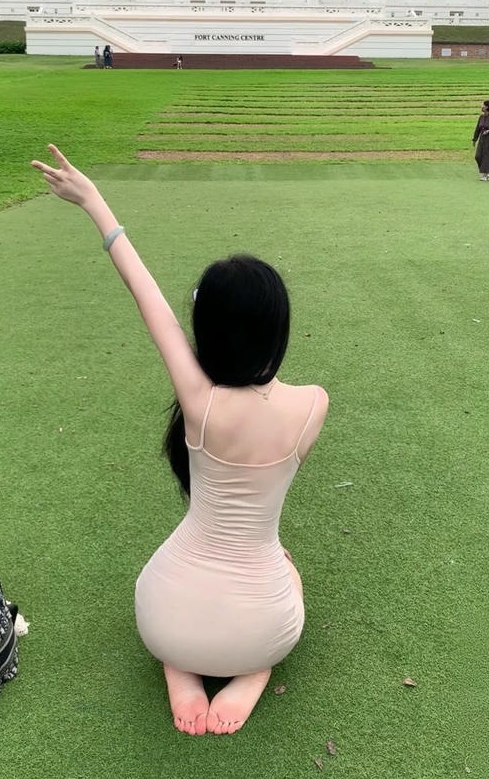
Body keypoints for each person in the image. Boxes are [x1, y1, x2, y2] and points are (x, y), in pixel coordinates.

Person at [30, 144, 329, 736]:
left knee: (193, 595)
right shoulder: (313, 404)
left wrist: (94, 201)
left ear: (207, 328)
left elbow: (147, 298)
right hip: (261, 627)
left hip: (162, 619)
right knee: (286, 570)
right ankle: (251, 673)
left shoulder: (200, 403)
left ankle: (181, 666)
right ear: (278, 327)